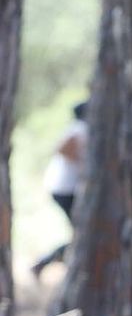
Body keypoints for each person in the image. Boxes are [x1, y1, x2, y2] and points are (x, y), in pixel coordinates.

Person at [31, 101, 88, 278]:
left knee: (81, 232)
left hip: (65, 188)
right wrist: (83, 165)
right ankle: (44, 262)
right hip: (65, 188)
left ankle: (45, 262)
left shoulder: (79, 128)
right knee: (82, 233)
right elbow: (62, 149)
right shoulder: (80, 128)